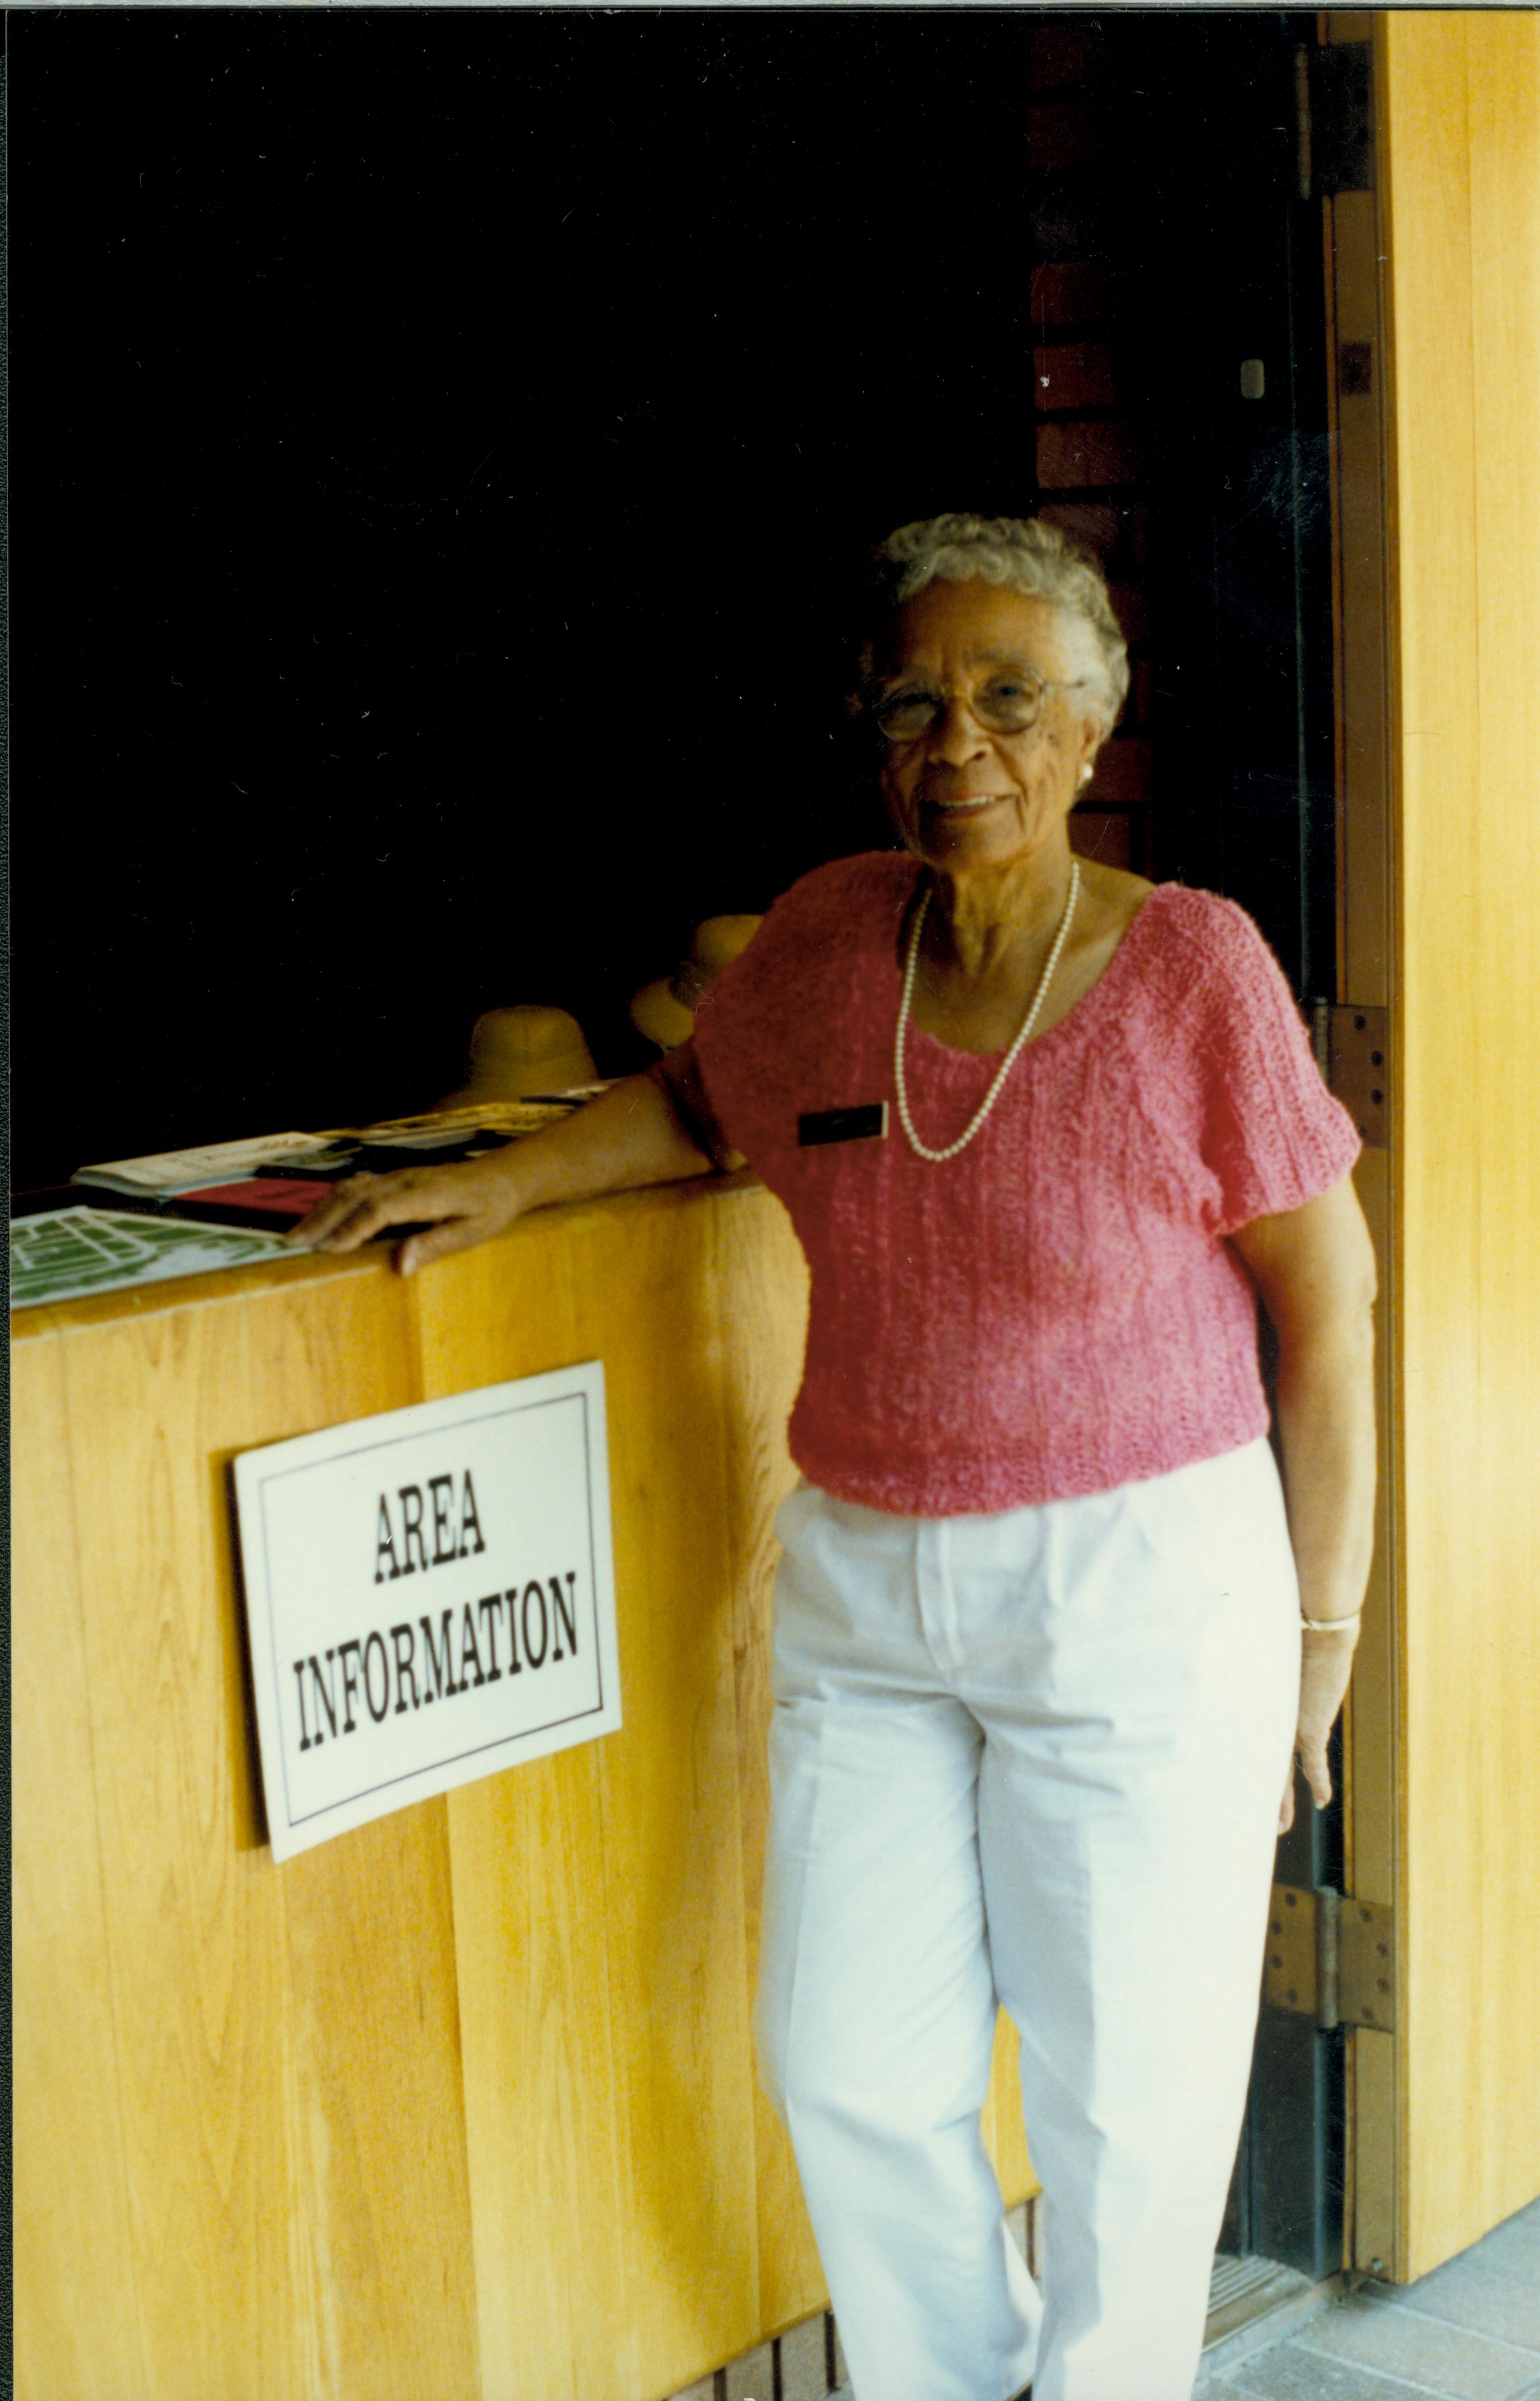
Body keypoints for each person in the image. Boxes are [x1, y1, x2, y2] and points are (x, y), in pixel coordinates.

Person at [291, 513, 1375, 2401]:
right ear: (874, 739)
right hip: (871, 1572)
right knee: (844, 2063)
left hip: (1139, 1579)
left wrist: (1322, 1637)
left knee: (1131, 2087)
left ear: (1096, 721)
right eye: (914, 704)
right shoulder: (822, 936)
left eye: (1010, 698)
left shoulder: (1192, 970)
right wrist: (495, 1180)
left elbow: (1331, 1307)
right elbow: (691, 1107)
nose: (959, 744)